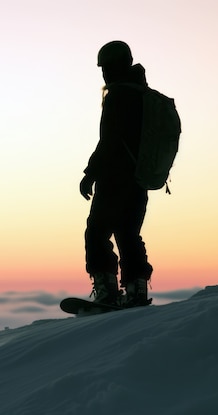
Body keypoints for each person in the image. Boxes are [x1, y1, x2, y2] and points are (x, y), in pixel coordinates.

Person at [79, 40, 153, 308]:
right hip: (139, 178)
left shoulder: (119, 96)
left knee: (96, 232)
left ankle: (106, 289)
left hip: (114, 178)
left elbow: (109, 141)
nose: (104, 73)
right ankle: (136, 290)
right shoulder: (144, 94)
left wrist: (90, 174)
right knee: (128, 233)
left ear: (117, 65)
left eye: (106, 67)